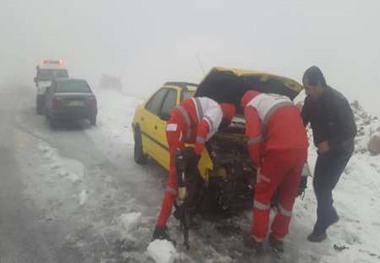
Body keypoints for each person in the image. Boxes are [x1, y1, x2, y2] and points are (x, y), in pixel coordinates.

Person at [152, 97, 236, 242]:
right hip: (176, 128)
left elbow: (198, 130)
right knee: (175, 179)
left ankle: (178, 208)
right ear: (226, 117)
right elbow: (203, 127)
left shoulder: (211, 107)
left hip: (176, 128)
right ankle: (159, 229)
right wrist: (197, 153)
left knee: (180, 177)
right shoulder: (217, 111)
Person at [241, 90, 308, 252]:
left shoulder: (251, 105)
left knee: (262, 195)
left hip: (279, 152)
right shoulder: (282, 98)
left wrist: (258, 164)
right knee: (288, 196)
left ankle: (257, 238)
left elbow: (254, 138)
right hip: (301, 150)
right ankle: (278, 237)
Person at [301, 66, 357, 242]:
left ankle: (321, 227)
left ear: (318, 84)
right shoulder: (310, 101)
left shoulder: (337, 101)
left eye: (308, 88)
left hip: (341, 151)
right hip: (324, 151)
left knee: (324, 187)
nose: (307, 92)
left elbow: (351, 131)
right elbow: (300, 121)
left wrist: (330, 144)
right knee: (319, 185)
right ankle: (329, 215)